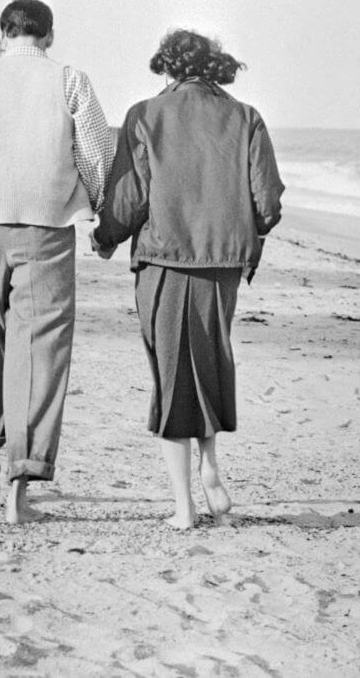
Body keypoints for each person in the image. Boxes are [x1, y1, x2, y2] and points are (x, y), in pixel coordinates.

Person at [92, 29, 283, 529]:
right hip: (223, 264)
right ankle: (211, 465)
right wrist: (241, 231)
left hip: (165, 259)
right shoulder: (246, 117)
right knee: (209, 361)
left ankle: (183, 506)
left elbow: (129, 200)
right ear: (213, 65)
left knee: (173, 374)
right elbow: (267, 205)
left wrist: (105, 237)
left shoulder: (145, 115)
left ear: (167, 67)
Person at [0, 0, 115, 524]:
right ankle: (19, 492)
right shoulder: (71, 80)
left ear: (2, 35)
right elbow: (96, 154)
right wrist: (92, 202)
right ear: (49, 36)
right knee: (38, 356)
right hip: (46, 231)